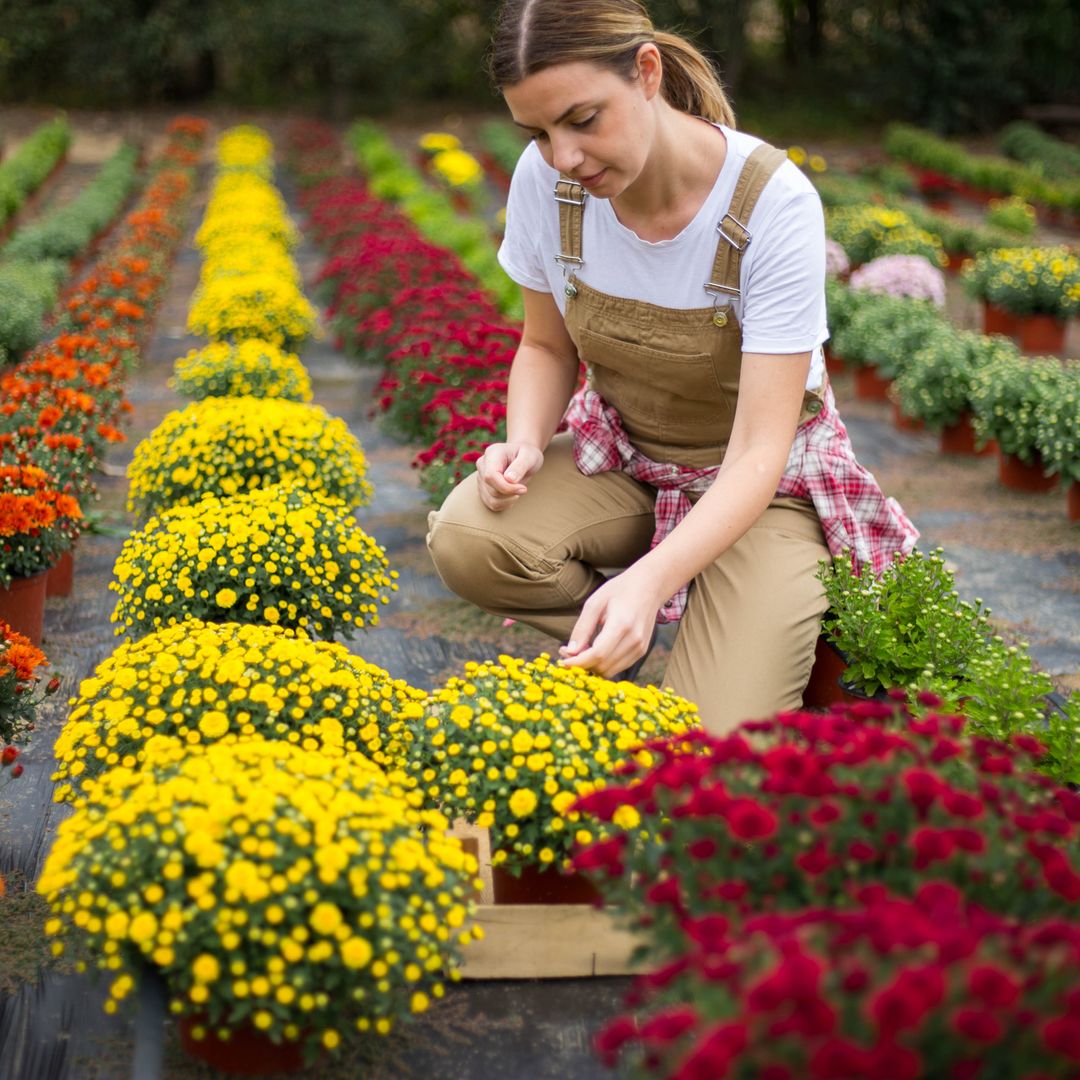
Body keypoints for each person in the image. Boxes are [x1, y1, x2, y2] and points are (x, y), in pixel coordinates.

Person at [426, 0, 917, 733]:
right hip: (631, 459)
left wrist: (650, 580)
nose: (563, 156)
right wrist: (525, 439)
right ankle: (639, 638)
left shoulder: (768, 204)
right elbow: (546, 345)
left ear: (647, 71)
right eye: (539, 131)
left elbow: (759, 450)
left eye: (583, 120)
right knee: (470, 539)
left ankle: (739, 632)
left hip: (763, 490)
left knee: (705, 745)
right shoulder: (548, 184)